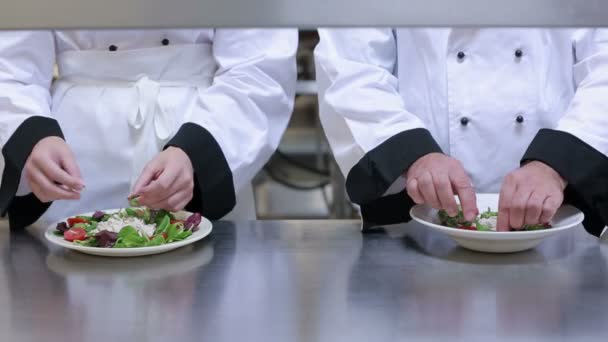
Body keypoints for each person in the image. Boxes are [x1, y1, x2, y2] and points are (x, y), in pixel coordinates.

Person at [315, 28, 607, 235]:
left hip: (563, 217)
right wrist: (411, 154)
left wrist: (559, 162)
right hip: (415, 220)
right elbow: (350, 65)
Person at [0, 29, 297, 229]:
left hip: (208, 129)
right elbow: (10, 69)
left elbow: (259, 66)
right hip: (73, 158)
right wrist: (30, 137)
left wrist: (198, 154)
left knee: (204, 309)